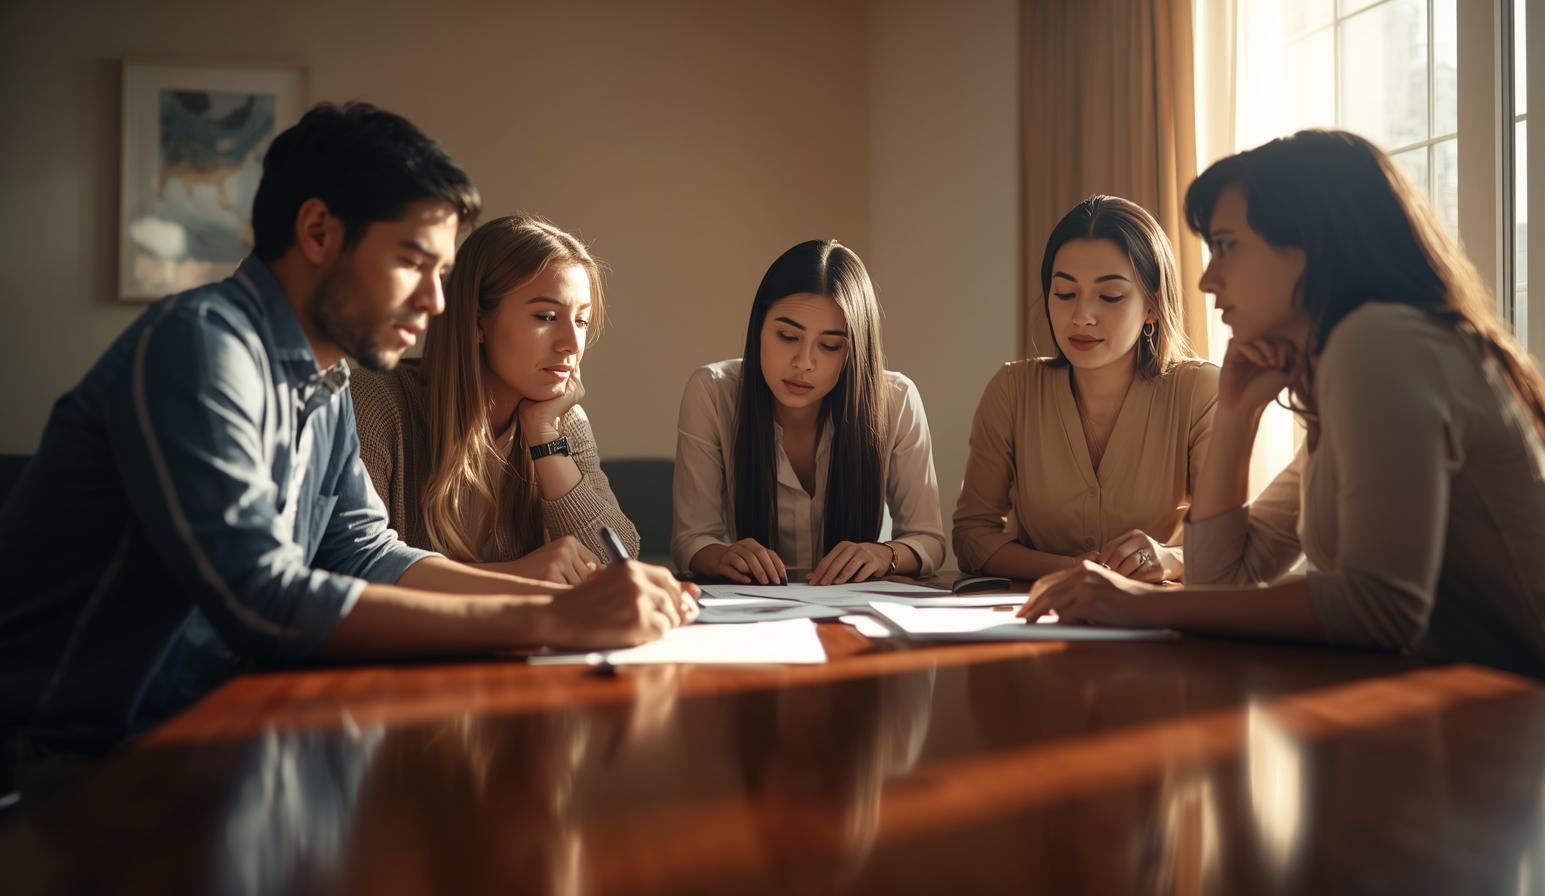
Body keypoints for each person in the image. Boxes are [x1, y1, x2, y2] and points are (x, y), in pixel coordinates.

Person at [0, 103, 696, 752]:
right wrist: (554, 620)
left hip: (201, 734)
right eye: (412, 263)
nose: (435, 302)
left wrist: (571, 600)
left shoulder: (324, 377)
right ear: (318, 233)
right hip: (70, 756)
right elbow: (262, 595)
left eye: (445, 272)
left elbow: (366, 553)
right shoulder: (200, 347)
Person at [1020, 129, 1545, 691]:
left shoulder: (1380, 343)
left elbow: (1382, 608)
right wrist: (1237, 413)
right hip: (1478, 712)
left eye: (1226, 246)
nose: (1206, 279)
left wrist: (1140, 604)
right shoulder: (1347, 367)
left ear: (1310, 245)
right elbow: (1224, 580)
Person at [351, 214, 636, 585]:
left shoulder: (562, 420)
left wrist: (544, 437)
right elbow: (353, 570)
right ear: (478, 323)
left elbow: (619, 562)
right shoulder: (377, 399)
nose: (572, 343)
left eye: (581, 320)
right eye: (547, 316)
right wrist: (516, 576)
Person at [953, 196, 1217, 582]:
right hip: (1033, 617)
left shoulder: (1200, 392)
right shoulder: (1012, 391)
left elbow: (1230, 546)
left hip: (1157, 618)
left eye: (1109, 296)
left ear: (1153, 307)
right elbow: (972, 535)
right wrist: (1071, 570)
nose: (1081, 317)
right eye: (1064, 294)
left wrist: (1172, 560)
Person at [671, 239, 945, 585]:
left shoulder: (896, 399)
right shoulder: (712, 392)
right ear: (758, 330)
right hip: (753, 617)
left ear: (854, 352)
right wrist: (723, 555)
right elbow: (691, 540)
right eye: (787, 336)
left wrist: (884, 554)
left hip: (855, 613)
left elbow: (929, 540)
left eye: (830, 346)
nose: (804, 363)